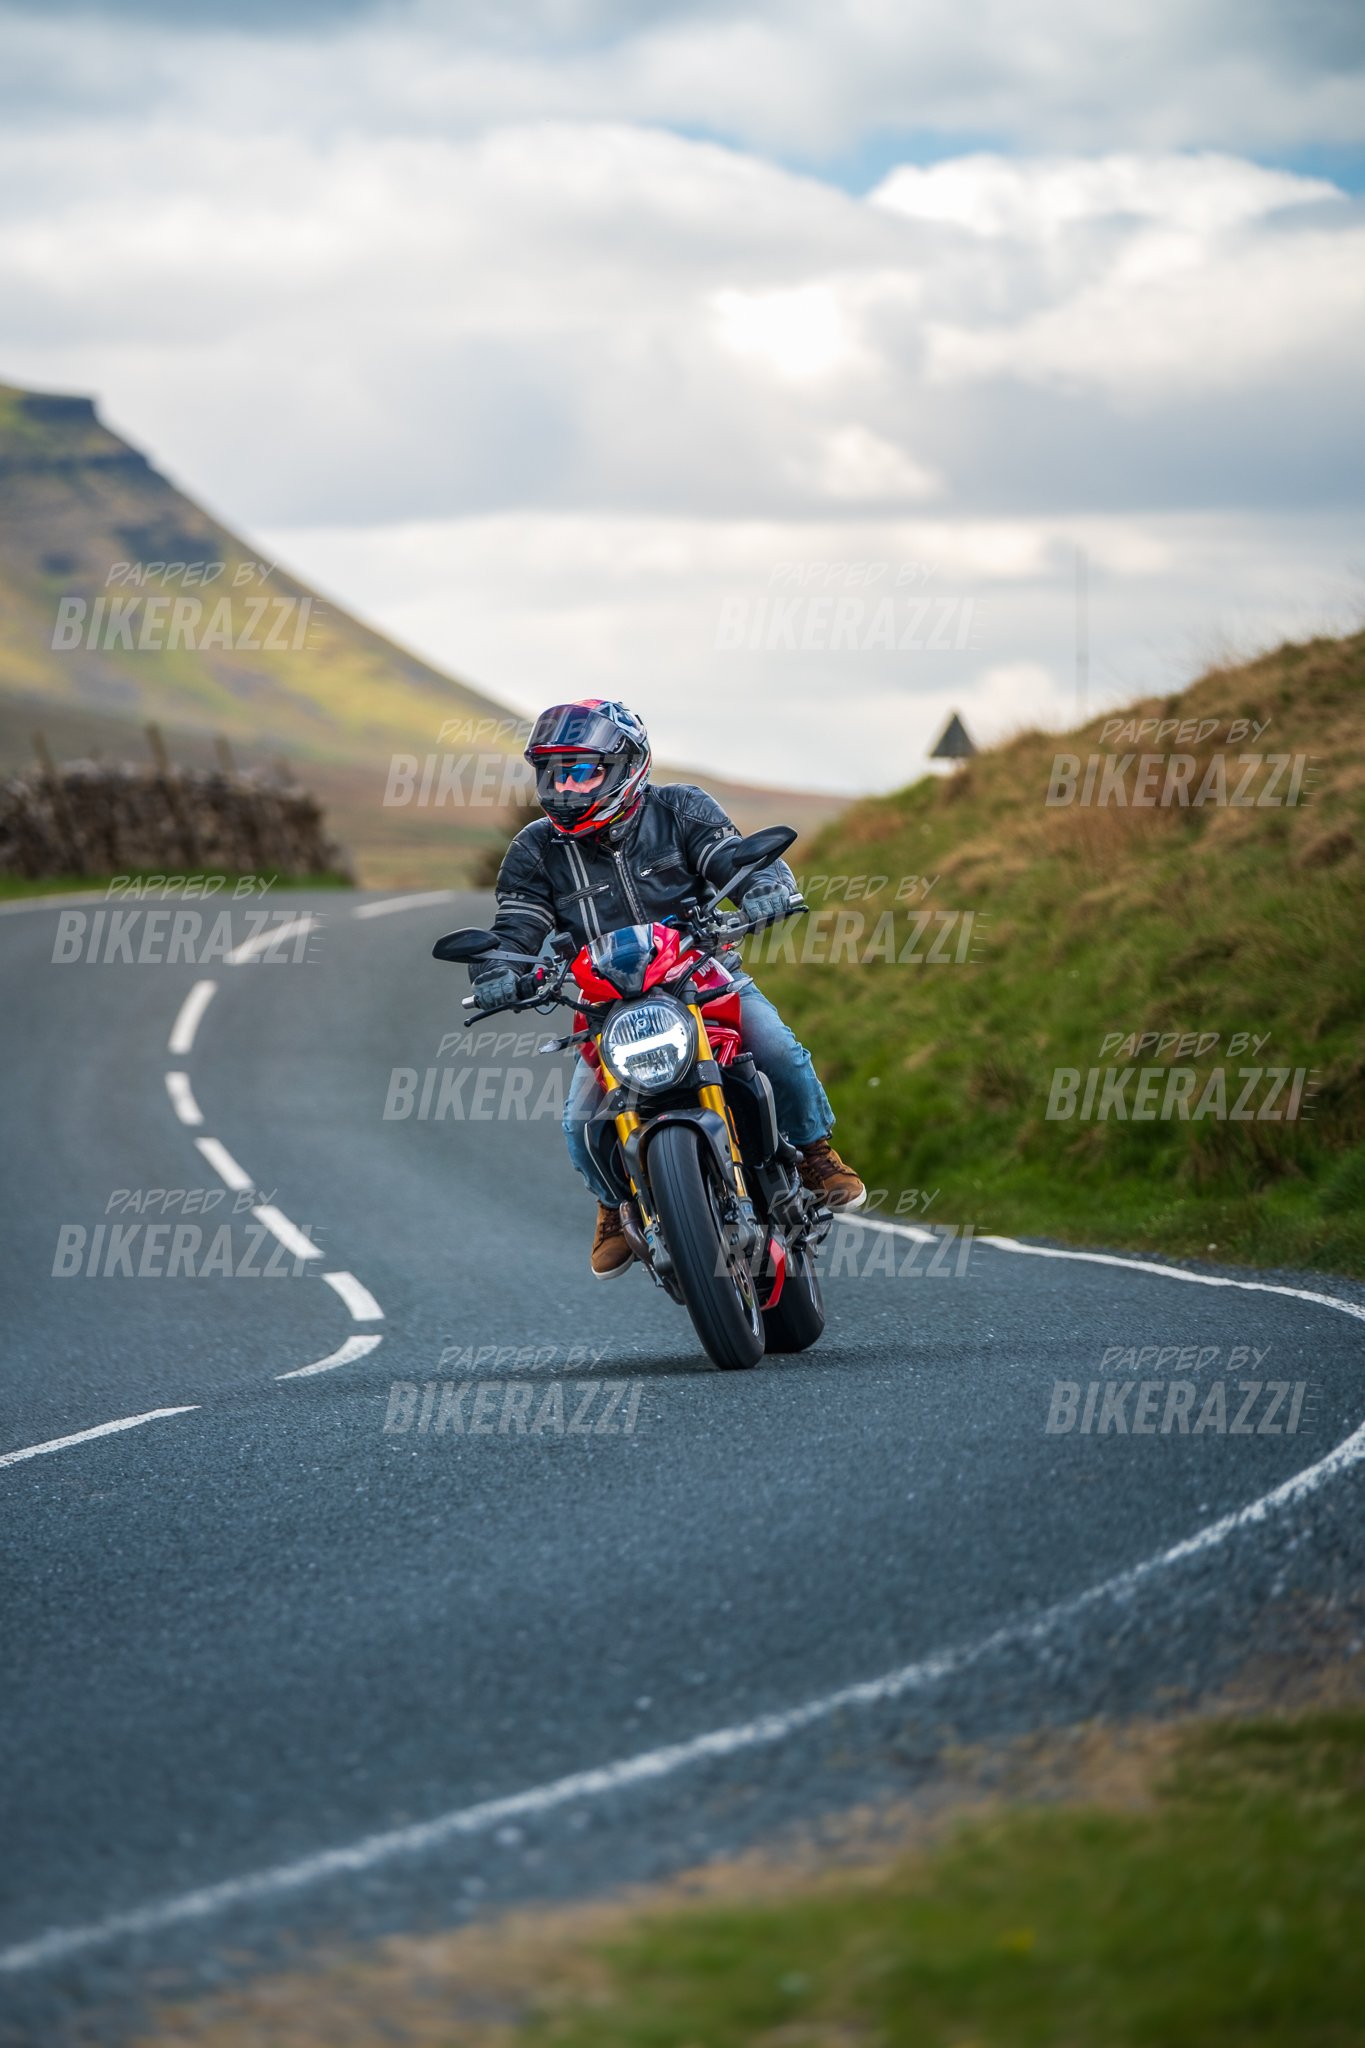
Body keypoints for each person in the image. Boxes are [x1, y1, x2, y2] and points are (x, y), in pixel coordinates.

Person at [473, 699, 865, 1276]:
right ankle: (615, 1206)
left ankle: (814, 1154)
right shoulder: (536, 849)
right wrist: (497, 972)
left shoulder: (681, 807)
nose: (566, 787)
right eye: (555, 773)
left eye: (582, 771)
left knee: (777, 1050)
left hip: (702, 978)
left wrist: (765, 887)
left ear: (627, 765)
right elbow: (515, 926)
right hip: (605, 1006)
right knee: (581, 1123)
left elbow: (733, 858)